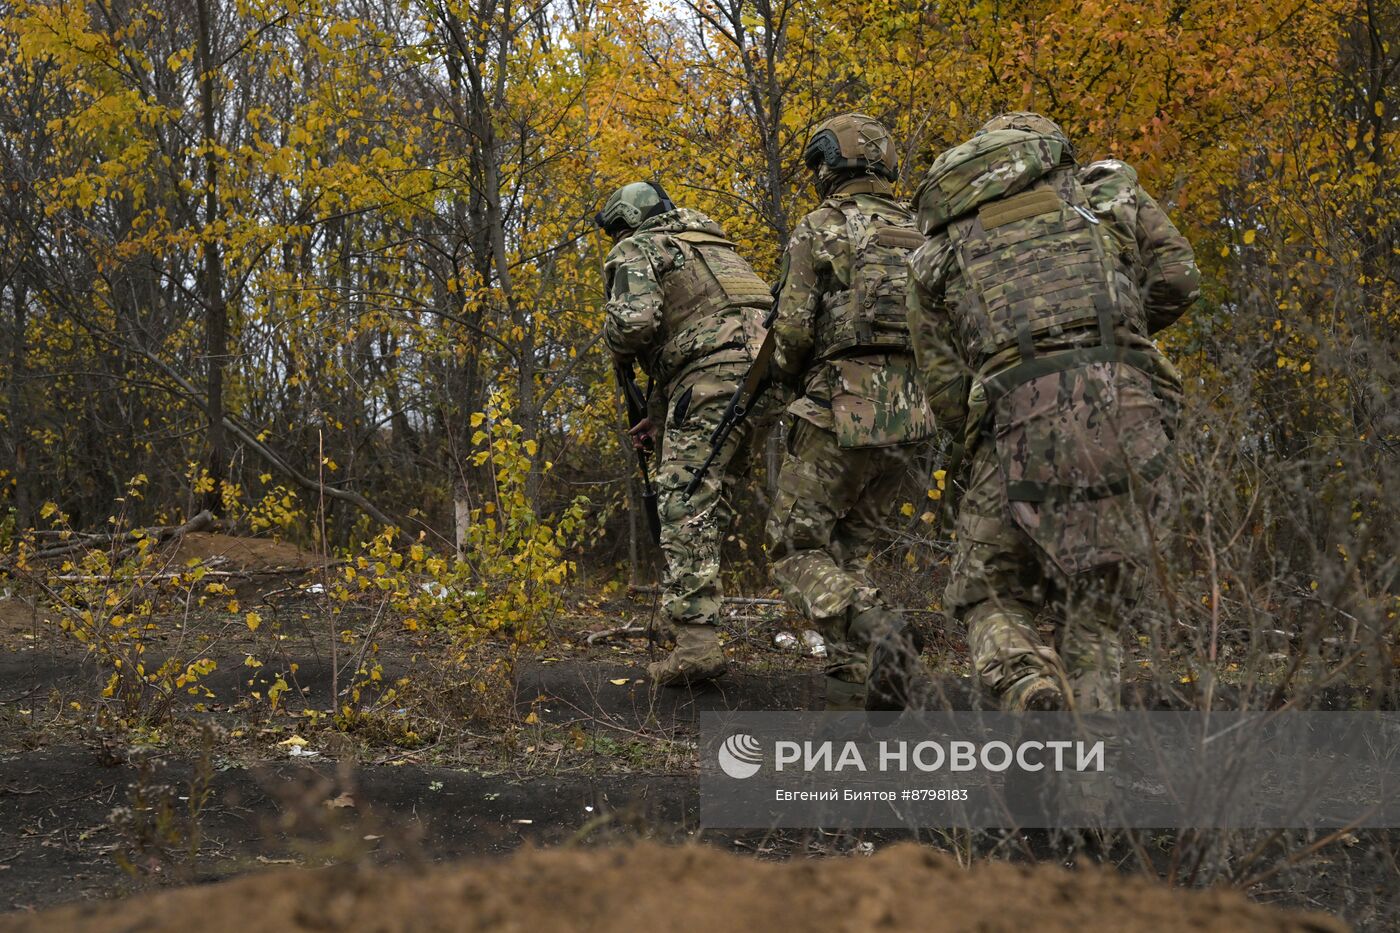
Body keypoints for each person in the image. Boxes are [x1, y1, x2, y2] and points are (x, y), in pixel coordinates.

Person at [906, 112, 1200, 712]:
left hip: (1018, 409)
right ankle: (1089, 796)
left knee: (985, 589)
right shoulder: (1106, 193)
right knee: (1094, 617)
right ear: (1049, 153)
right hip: (1128, 405)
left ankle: (1025, 683)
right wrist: (1119, 332)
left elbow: (940, 376)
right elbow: (1178, 278)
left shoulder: (936, 252)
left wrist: (978, 444)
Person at [764, 113, 938, 710]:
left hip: (841, 401)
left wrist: (785, 377)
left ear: (827, 166)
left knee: (795, 547)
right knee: (850, 550)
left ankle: (875, 631)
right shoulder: (925, 228)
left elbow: (789, 334)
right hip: (913, 412)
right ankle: (852, 678)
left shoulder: (822, 226)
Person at [598, 181, 774, 687]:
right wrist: (658, 411)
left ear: (625, 222)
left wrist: (610, 331)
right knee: (710, 504)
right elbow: (709, 326)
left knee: (683, 501)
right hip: (765, 377)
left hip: (712, 379)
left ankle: (697, 647)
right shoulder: (714, 246)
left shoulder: (637, 247)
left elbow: (635, 327)